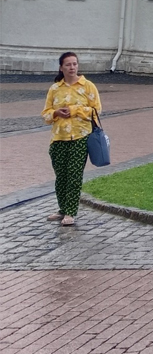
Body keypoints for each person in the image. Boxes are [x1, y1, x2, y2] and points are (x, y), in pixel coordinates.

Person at [41, 52, 102, 227]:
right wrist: (56, 113)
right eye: (68, 64)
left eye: (74, 64)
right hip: (58, 137)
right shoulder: (55, 89)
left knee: (74, 175)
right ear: (61, 67)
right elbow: (45, 114)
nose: (72, 67)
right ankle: (62, 209)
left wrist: (75, 110)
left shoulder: (87, 86)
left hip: (80, 137)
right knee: (61, 176)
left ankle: (70, 212)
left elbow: (96, 111)